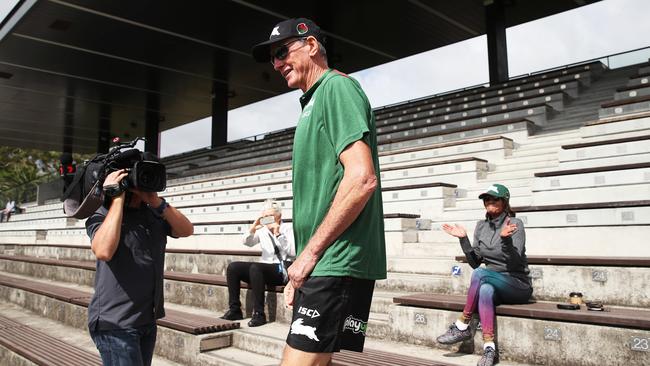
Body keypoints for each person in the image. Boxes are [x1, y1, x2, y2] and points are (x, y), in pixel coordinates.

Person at [252, 17, 387, 366]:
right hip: (322, 261)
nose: (277, 64)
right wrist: (304, 261)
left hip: (333, 260)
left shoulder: (335, 88)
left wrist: (309, 255)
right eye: (272, 58)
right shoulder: (313, 100)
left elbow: (362, 179)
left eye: (282, 52)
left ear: (311, 46)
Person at [85, 167, 193, 366]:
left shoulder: (153, 213)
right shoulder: (102, 214)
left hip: (146, 320)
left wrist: (154, 200)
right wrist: (117, 197)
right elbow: (103, 251)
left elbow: (186, 230)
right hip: (116, 323)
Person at [438, 184, 532, 366]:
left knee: (482, 274)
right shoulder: (481, 226)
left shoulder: (515, 224)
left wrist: (505, 240)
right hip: (493, 283)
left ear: (505, 201)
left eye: (494, 198)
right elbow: (475, 262)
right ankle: (489, 348)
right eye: (486, 199)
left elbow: (514, 261)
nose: (489, 201)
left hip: (517, 283)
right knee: (486, 289)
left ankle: (462, 324)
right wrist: (463, 240)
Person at [220, 200, 295, 327]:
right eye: (265, 217)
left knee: (256, 268)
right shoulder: (263, 230)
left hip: (282, 270)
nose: (268, 219)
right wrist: (253, 228)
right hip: (263, 270)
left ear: (279, 216)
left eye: (270, 216)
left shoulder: (288, 228)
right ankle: (234, 310)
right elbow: (248, 242)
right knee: (234, 267)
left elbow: (293, 252)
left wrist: (278, 234)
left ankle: (259, 314)